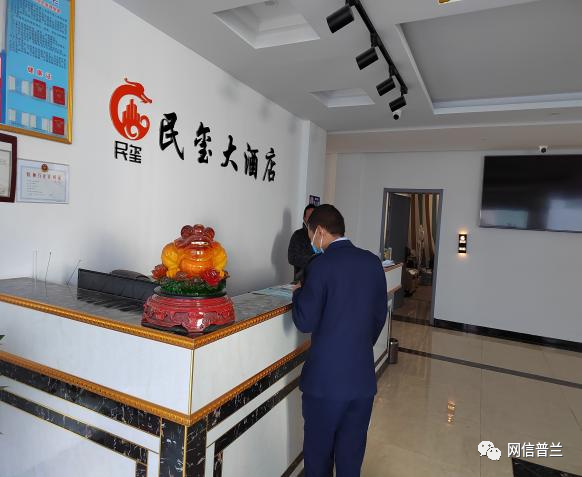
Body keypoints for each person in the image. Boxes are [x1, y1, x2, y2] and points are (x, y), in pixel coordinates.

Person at [292, 204, 388, 477]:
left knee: (318, 457)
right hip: (361, 380)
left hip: (325, 384)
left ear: (320, 232)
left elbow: (305, 321)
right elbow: (379, 316)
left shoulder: (320, 266)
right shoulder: (372, 262)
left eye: (311, 234)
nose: (311, 241)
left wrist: (298, 294)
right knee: (350, 458)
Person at [288, 204, 316, 282]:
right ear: (304, 218)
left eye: (314, 216)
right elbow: (291, 258)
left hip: (319, 280)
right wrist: (312, 259)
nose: (311, 219)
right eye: (309, 216)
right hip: (301, 281)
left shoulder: (322, 235)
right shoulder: (297, 235)